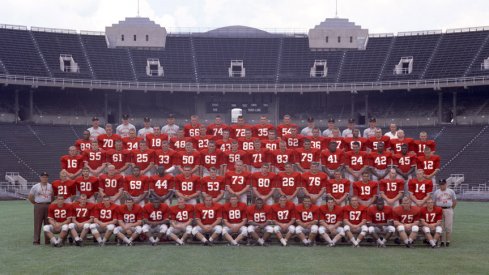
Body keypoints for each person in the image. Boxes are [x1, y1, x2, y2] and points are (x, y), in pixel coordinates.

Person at [28, 172, 53, 245]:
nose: (44, 178)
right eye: (43, 177)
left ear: (47, 178)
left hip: (48, 205)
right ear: (40, 178)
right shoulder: (35, 186)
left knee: (47, 223)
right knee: (37, 223)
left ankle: (47, 240)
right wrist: (35, 203)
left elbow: (53, 197)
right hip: (38, 205)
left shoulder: (50, 186)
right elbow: (30, 197)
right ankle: (36, 241)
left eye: (46, 177)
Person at [433, 179, 457, 246]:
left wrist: (451, 208)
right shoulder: (436, 192)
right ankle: (442, 241)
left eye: (443, 184)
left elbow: (454, 201)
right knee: (441, 226)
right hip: (439, 209)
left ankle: (448, 241)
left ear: (446, 184)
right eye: (440, 184)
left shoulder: (451, 191)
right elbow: (434, 202)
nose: (442, 186)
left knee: (448, 226)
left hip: (448, 209)